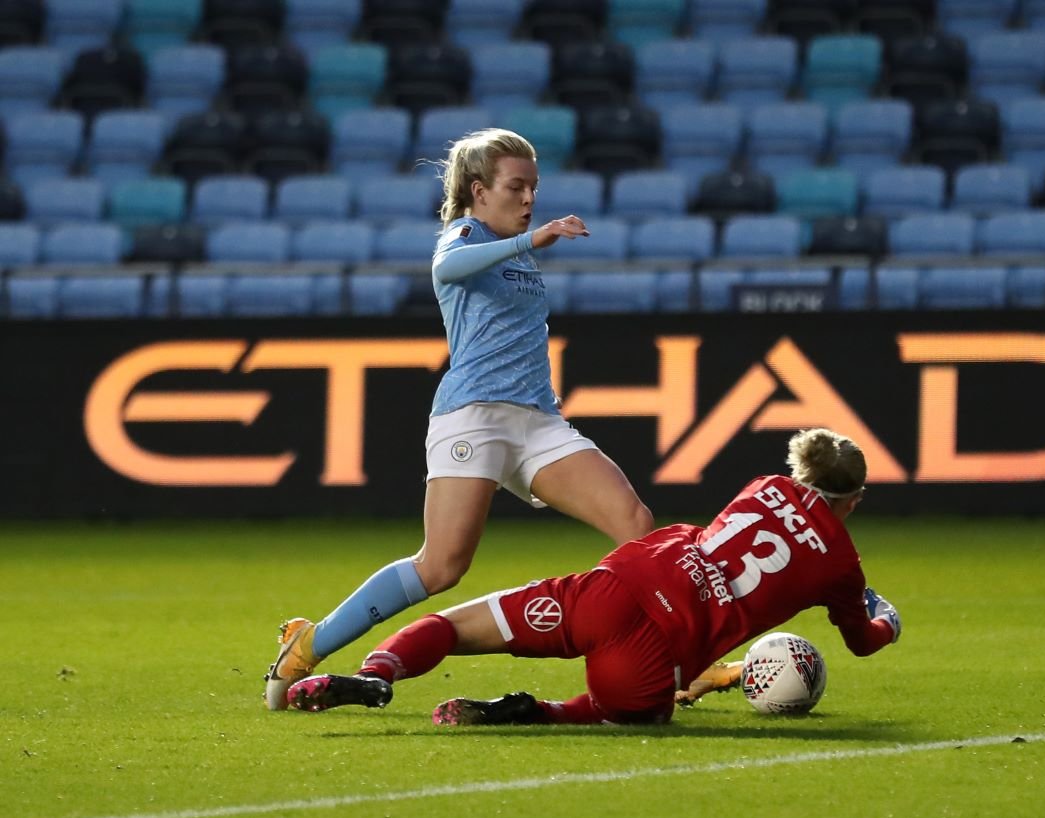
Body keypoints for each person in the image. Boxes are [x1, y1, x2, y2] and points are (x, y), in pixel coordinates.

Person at [263, 129, 654, 710]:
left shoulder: (510, 246)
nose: (528, 200)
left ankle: (666, 658)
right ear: (479, 190)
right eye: (516, 187)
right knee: (442, 566)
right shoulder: (466, 235)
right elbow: (446, 271)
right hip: (473, 417)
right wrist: (530, 242)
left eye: (534, 189)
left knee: (637, 523)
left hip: (537, 422)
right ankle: (310, 643)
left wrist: (526, 244)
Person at [284, 428, 902, 725]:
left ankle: (377, 675)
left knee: (452, 623)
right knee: (639, 714)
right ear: (857, 498)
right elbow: (860, 639)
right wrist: (885, 620)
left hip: (613, 589)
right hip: (661, 650)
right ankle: (532, 712)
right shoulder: (842, 564)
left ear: (799, 472)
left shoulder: (765, 486)